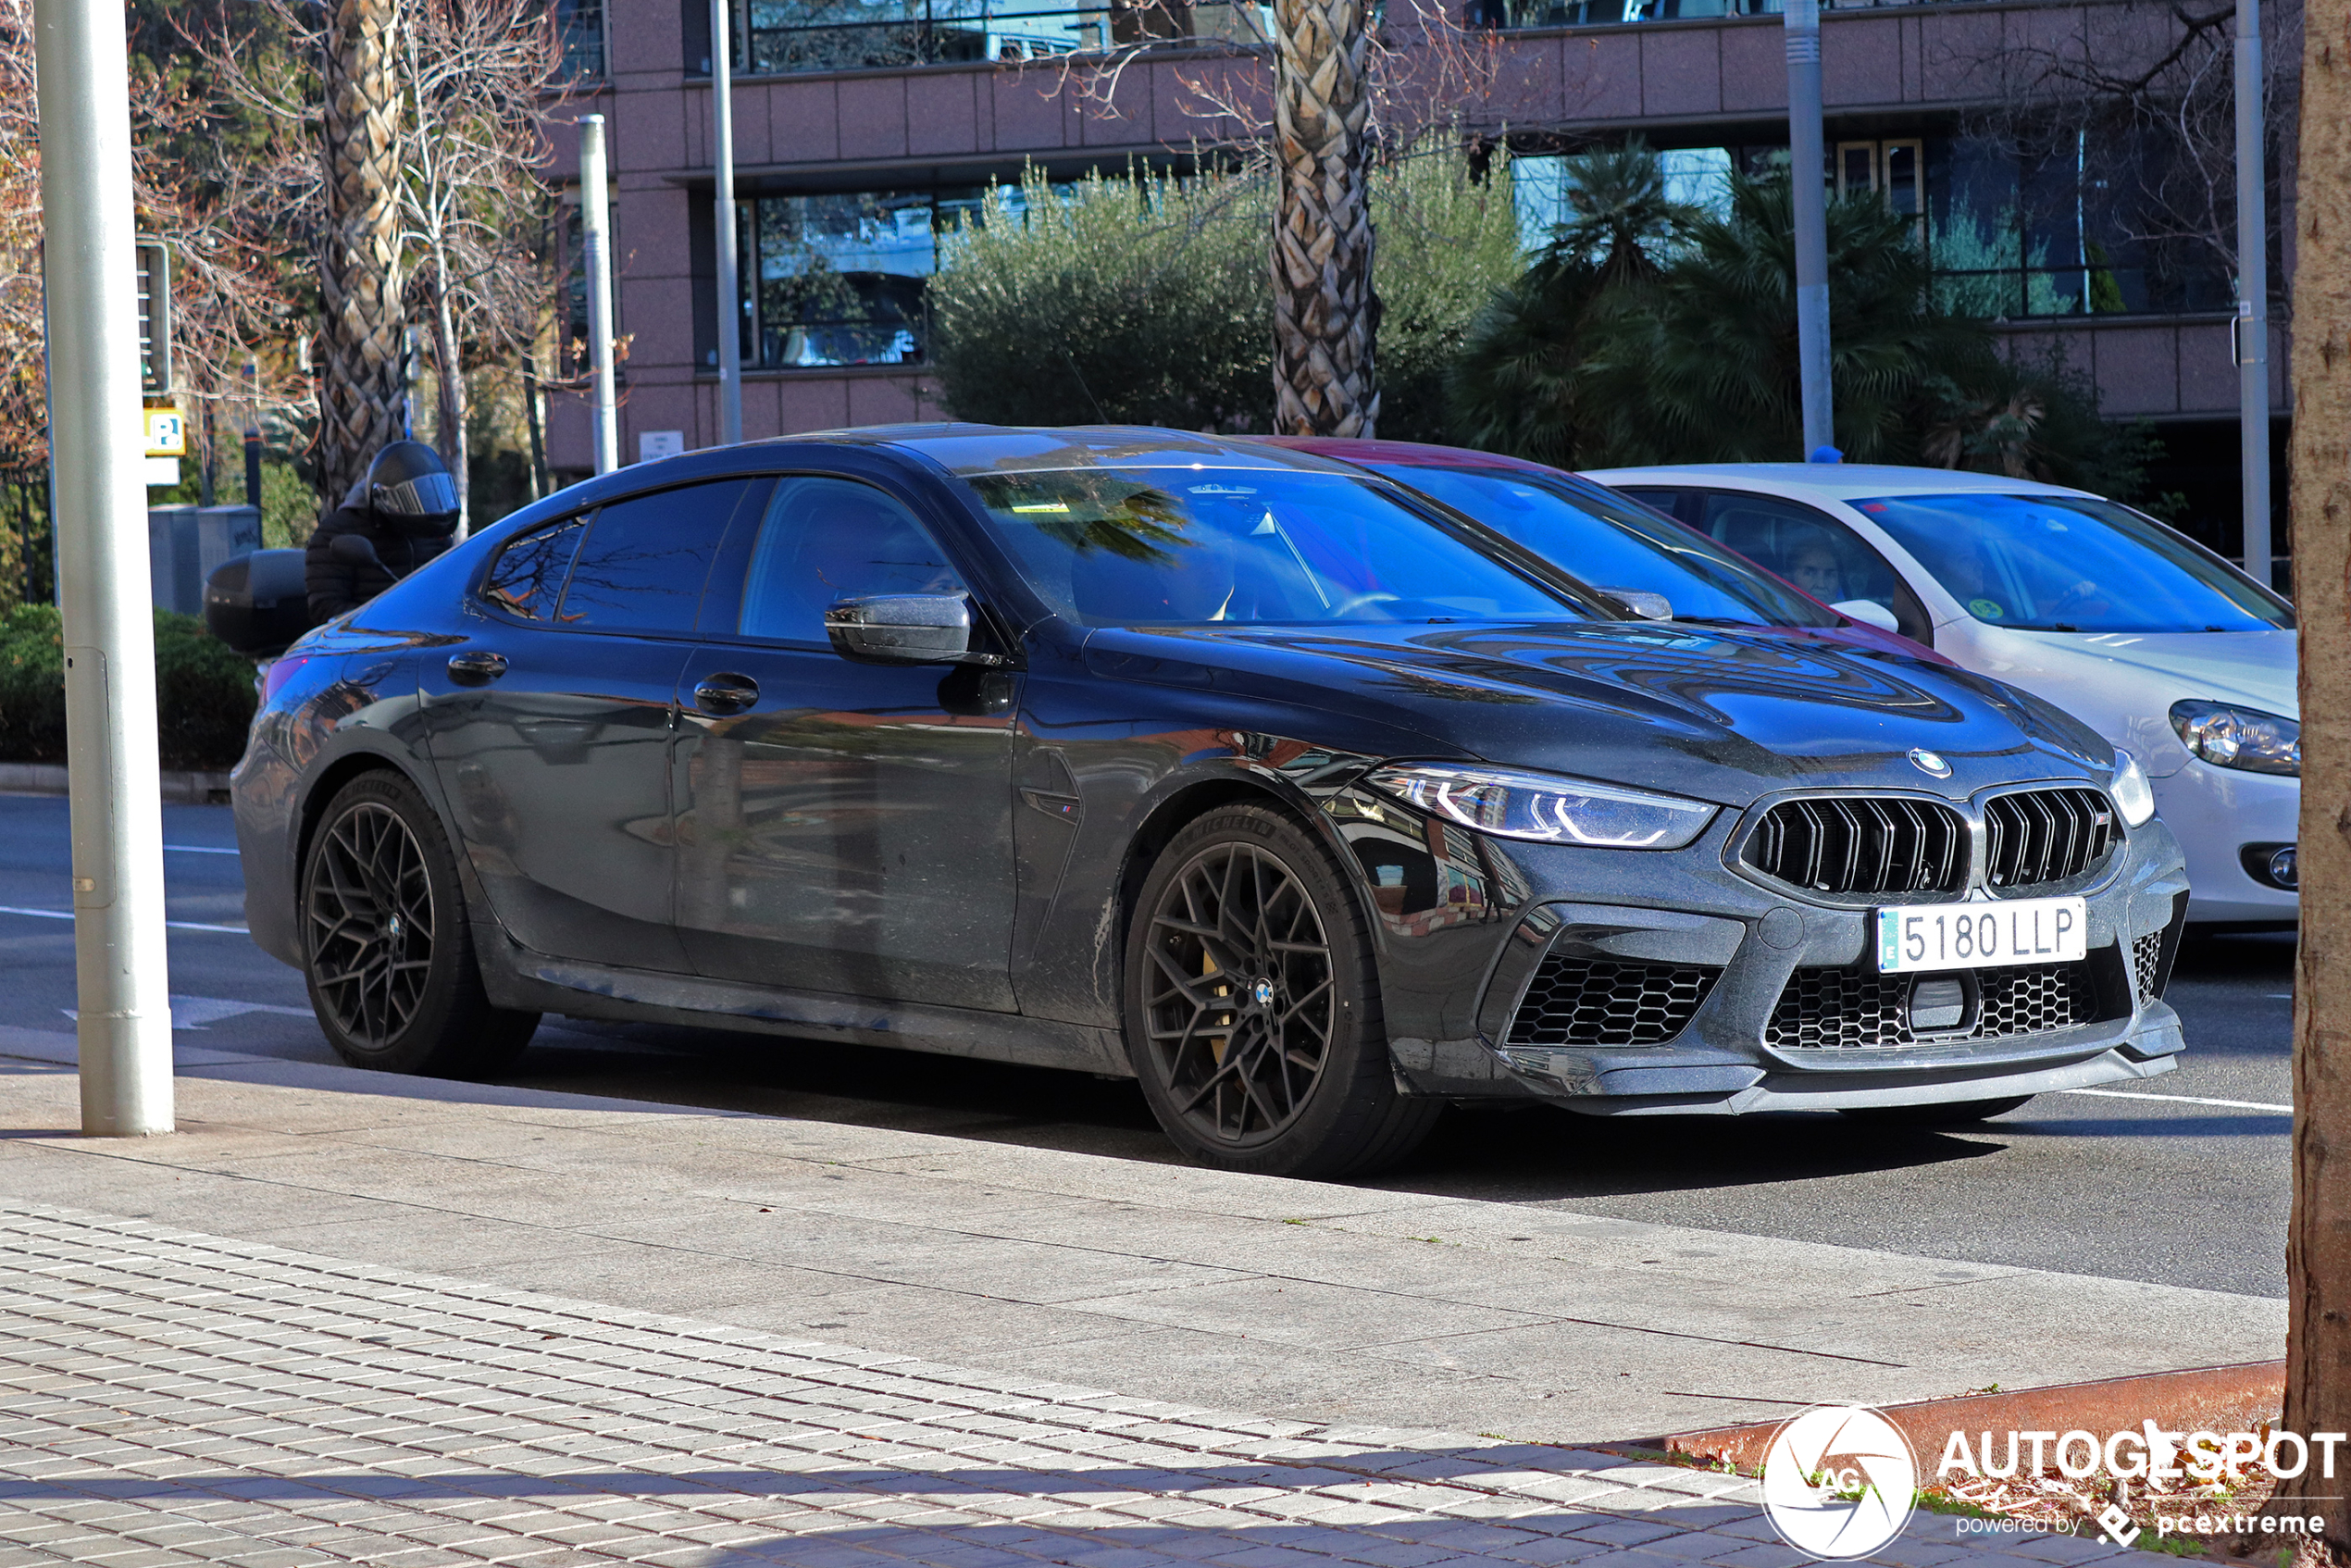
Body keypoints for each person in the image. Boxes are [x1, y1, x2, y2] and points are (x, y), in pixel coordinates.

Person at [305, 440, 461, 621]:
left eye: (428, 492)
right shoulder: (337, 532)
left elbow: (453, 587)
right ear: (382, 497)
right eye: (410, 497)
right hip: (369, 643)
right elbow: (325, 607)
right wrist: (387, 622)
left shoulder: (430, 527)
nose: (422, 501)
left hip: (433, 637)